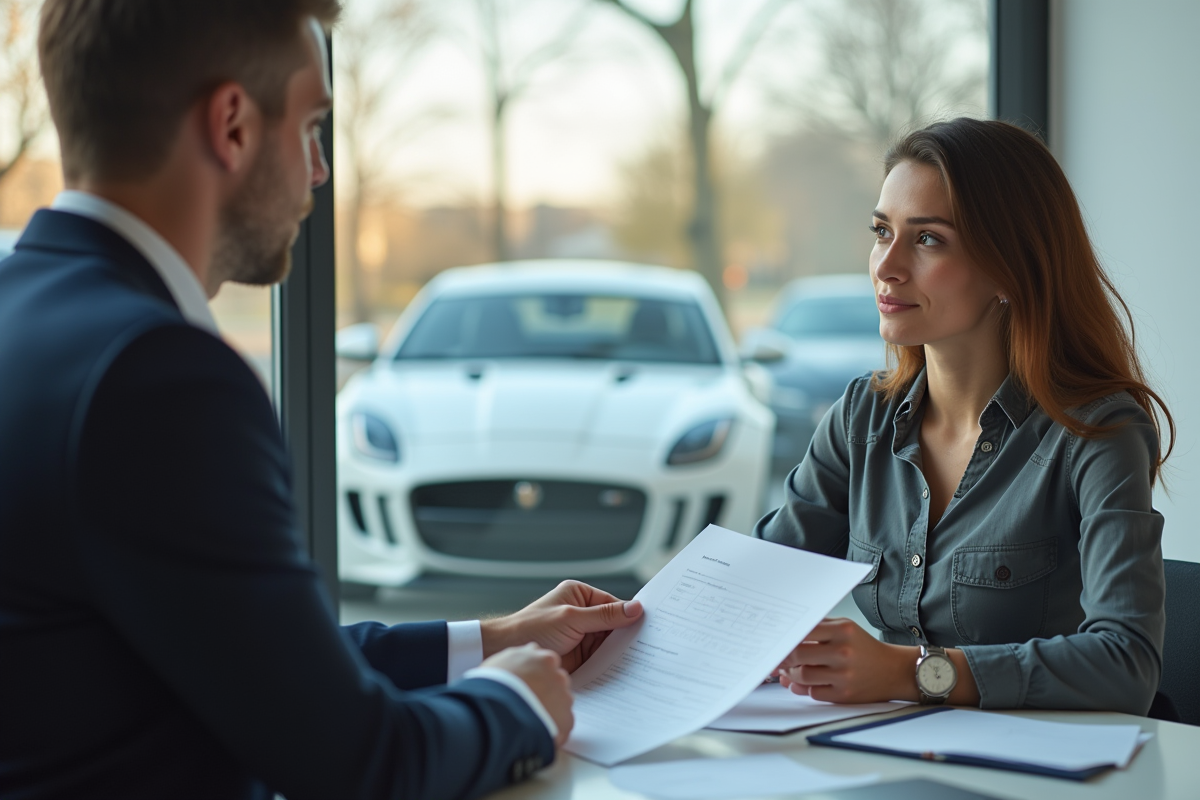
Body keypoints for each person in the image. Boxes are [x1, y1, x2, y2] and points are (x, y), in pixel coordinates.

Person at [0, 2, 643, 799]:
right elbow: (360, 763)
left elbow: (241, 655)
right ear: (231, 124)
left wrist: (492, 640)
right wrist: (516, 703)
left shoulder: (23, 313)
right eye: (311, 127)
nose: (319, 170)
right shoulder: (160, 375)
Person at [757, 118, 1173, 716]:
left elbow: (1126, 662)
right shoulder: (860, 417)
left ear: (1009, 267)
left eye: (928, 239)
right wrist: (611, 625)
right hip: (888, 751)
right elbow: (750, 590)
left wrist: (911, 672)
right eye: (882, 231)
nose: (886, 266)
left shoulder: (1096, 432)